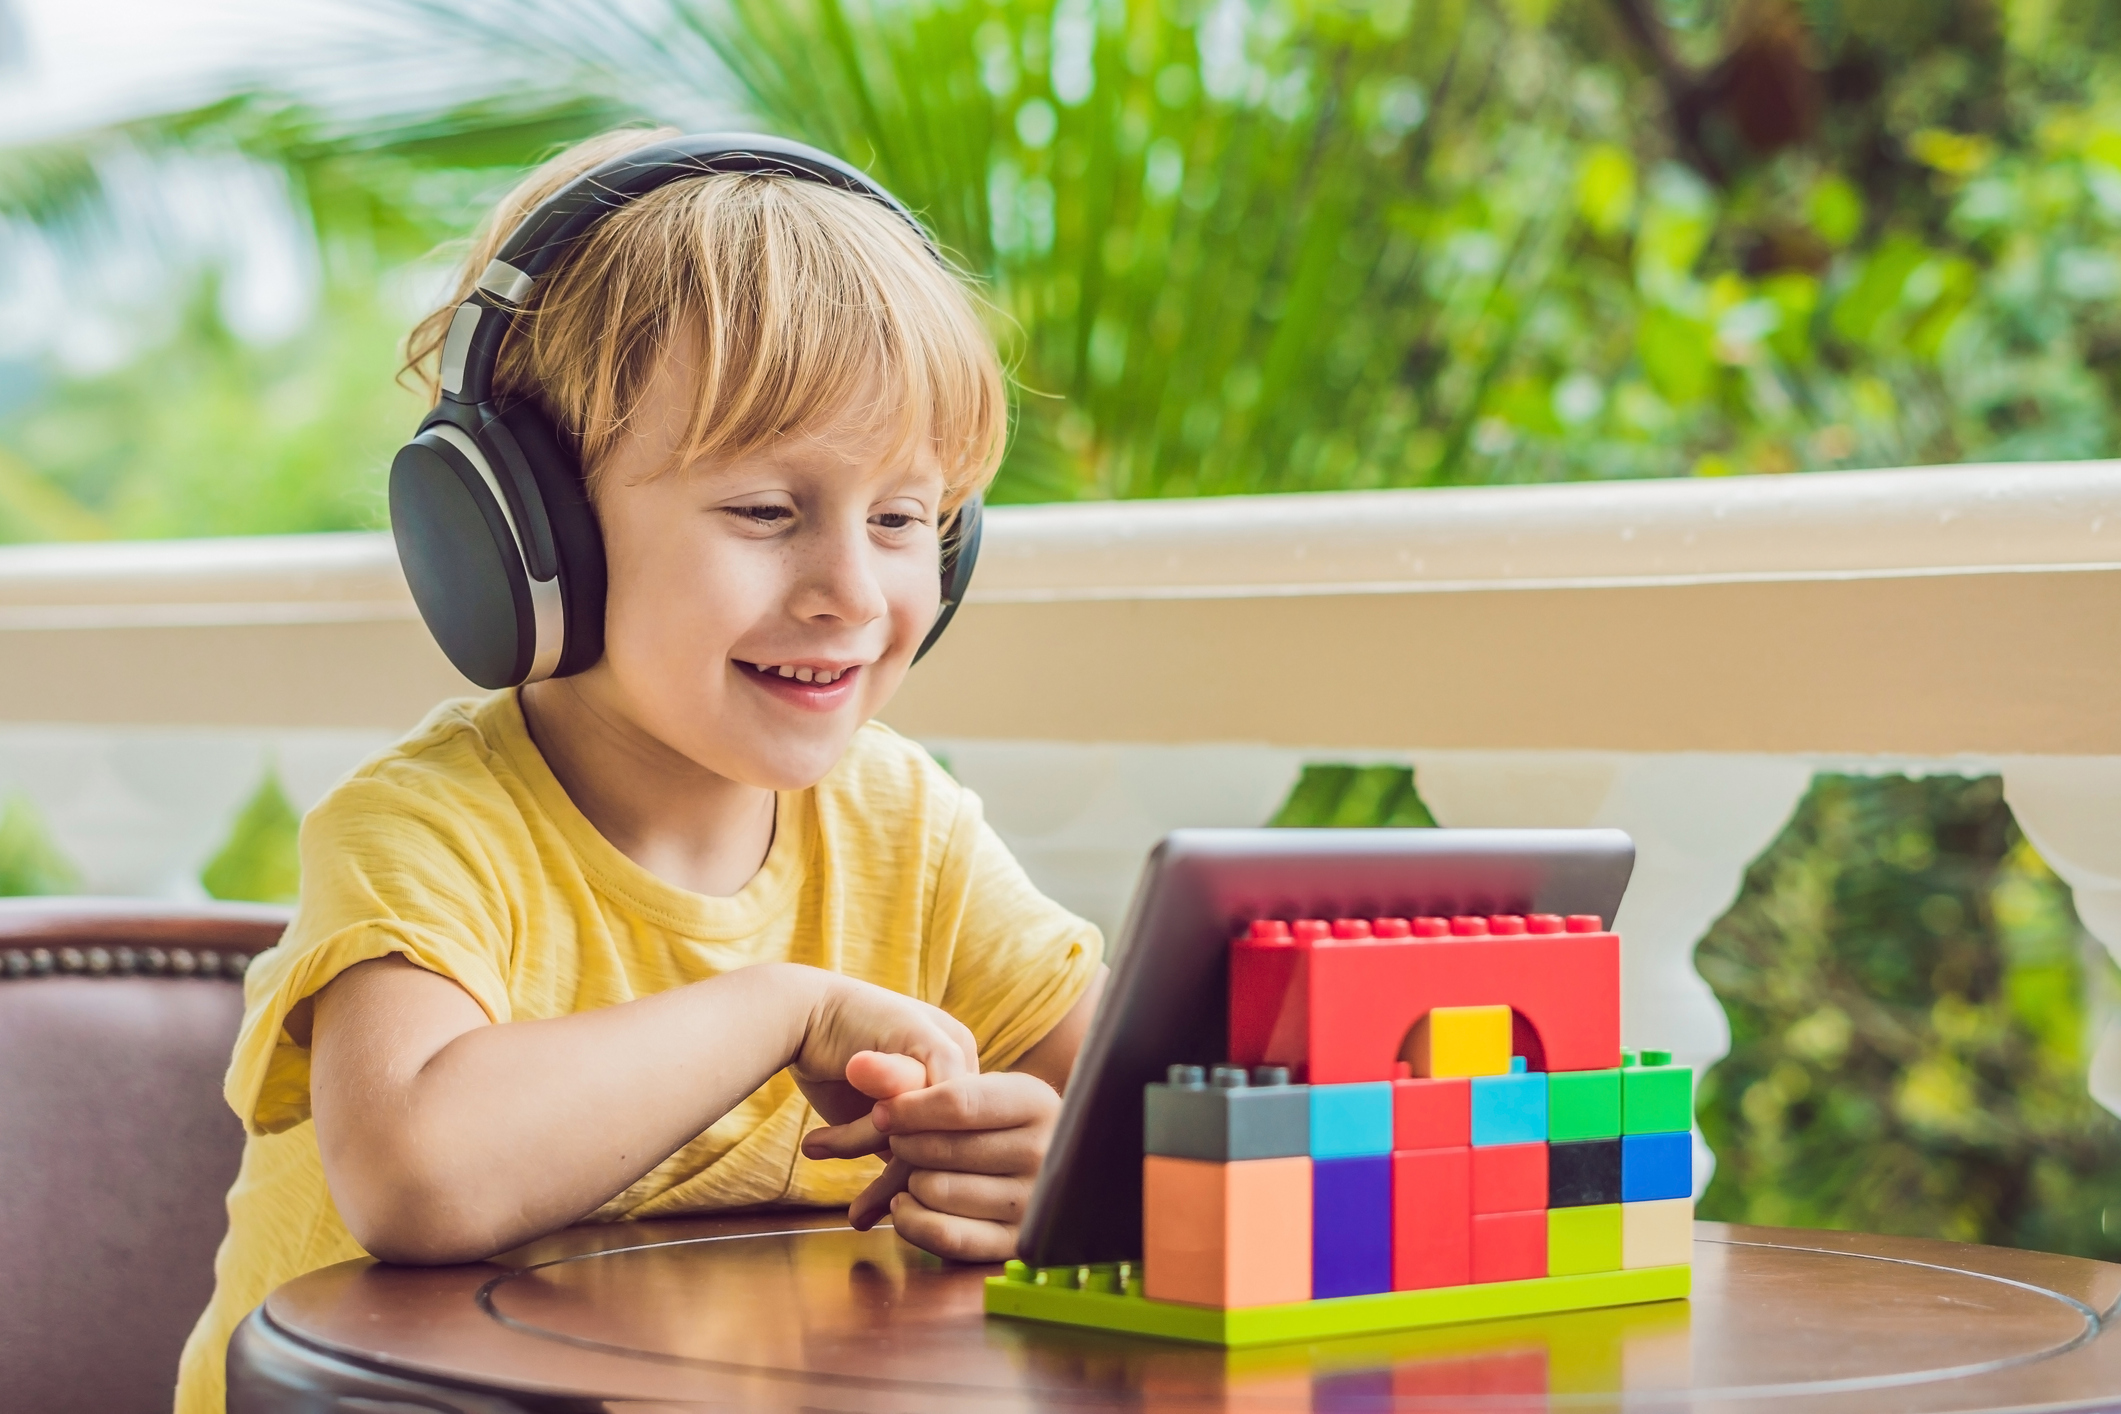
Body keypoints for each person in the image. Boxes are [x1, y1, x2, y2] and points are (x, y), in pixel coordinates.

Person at [175, 127, 1105, 1414]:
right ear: (526, 529)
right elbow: (422, 1174)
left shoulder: (907, 826)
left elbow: (1144, 1109)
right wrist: (785, 1010)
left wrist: (1049, 1162)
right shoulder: (426, 829)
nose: (853, 592)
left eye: (903, 520)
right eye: (767, 514)